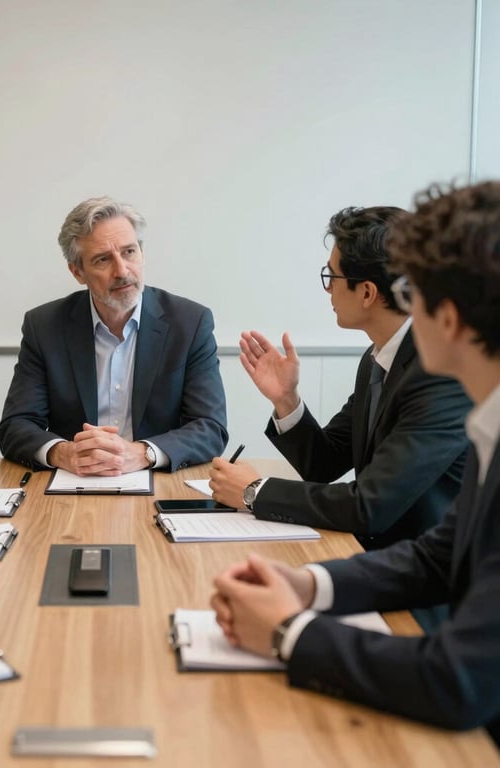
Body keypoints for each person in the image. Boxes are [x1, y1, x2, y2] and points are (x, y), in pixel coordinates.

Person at [210, 181, 500, 741]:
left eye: (420, 289)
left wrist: (287, 631)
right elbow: (438, 556)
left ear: (452, 315)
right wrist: (306, 586)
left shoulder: (444, 387)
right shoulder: (393, 366)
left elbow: (459, 680)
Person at [209, 206, 470, 551]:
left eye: (331, 277)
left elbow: (369, 505)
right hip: (377, 557)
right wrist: (286, 400)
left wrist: (255, 491)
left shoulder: (442, 374)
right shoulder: (378, 358)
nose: (328, 290)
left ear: (366, 293)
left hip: (429, 584)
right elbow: (325, 464)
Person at [0, 196, 228, 475]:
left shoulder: (189, 323)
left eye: (129, 252)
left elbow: (210, 427)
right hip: (74, 484)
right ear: (77, 272)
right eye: (103, 259)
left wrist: (143, 453)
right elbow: (15, 426)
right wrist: (64, 453)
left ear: (141, 253)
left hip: (159, 482)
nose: (122, 271)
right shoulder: (44, 326)